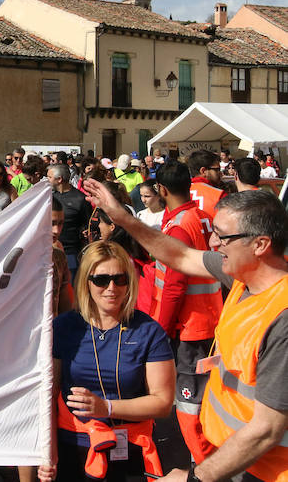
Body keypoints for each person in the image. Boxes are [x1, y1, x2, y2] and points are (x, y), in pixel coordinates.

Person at [83, 184, 288, 482]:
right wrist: (123, 218)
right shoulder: (244, 276)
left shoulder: (281, 317)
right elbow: (179, 255)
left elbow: (266, 429)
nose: (213, 242)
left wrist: (195, 478)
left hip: (265, 471)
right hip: (236, 461)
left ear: (260, 245)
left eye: (223, 236)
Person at [39, 241, 174, 482]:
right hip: (75, 446)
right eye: (101, 280)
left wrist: (107, 408)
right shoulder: (64, 328)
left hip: (131, 448)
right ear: (86, 282)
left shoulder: (148, 331)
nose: (111, 288)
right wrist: (47, 453)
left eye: (119, 279)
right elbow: (49, 395)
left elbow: (163, 403)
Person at [145, 162, 223, 462]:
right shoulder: (204, 217)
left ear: (162, 190)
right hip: (212, 318)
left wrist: (159, 330)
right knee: (208, 400)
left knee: (189, 405)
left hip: (189, 327)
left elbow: (174, 286)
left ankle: (202, 466)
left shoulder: (179, 227)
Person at [48, 164, 92, 279]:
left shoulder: (80, 199)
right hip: (49, 252)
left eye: (49, 177)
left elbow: (88, 224)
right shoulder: (49, 198)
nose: (46, 180)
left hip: (71, 253)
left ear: (59, 179)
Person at [187, 150, 225, 218]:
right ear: (203, 171)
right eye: (217, 170)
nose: (220, 173)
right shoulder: (219, 195)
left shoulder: (178, 194)